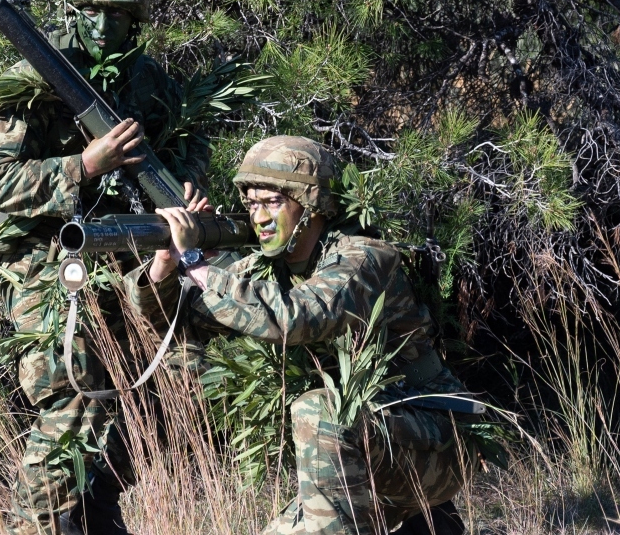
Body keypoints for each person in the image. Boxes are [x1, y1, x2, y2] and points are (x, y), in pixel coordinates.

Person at [124, 136, 474, 534]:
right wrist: (165, 266)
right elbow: (179, 325)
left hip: (437, 438)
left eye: (273, 202)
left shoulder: (365, 258)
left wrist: (197, 264)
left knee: (319, 411)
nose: (258, 218)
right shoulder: (266, 268)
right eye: (252, 204)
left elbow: (295, 317)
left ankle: (423, 514)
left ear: (311, 206)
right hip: (363, 446)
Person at [0, 0, 209, 535]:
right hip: (49, 266)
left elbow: (187, 147)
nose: (104, 25)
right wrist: (84, 164)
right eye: (92, 11)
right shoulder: (38, 81)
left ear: (138, 21)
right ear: (72, 12)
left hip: (131, 262)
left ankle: (99, 518)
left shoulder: (151, 83)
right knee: (71, 404)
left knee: (146, 404)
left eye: (118, 14)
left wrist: (184, 180)